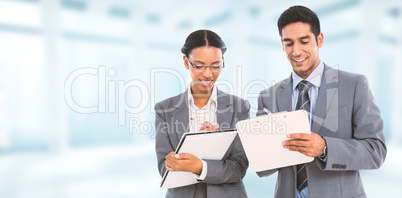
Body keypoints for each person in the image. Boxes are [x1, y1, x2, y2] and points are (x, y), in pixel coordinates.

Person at [256, 5, 387, 198]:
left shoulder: (354, 85)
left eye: (304, 41)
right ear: (282, 45)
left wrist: (325, 148)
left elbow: (375, 151)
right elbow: (262, 166)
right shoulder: (268, 97)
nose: (296, 51)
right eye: (289, 43)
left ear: (319, 40)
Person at [155, 29, 250, 198]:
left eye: (216, 66)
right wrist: (190, 150)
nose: (208, 74)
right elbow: (164, 169)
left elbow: (239, 168)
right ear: (186, 62)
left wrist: (200, 165)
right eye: (199, 66)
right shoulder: (165, 110)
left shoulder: (239, 107)